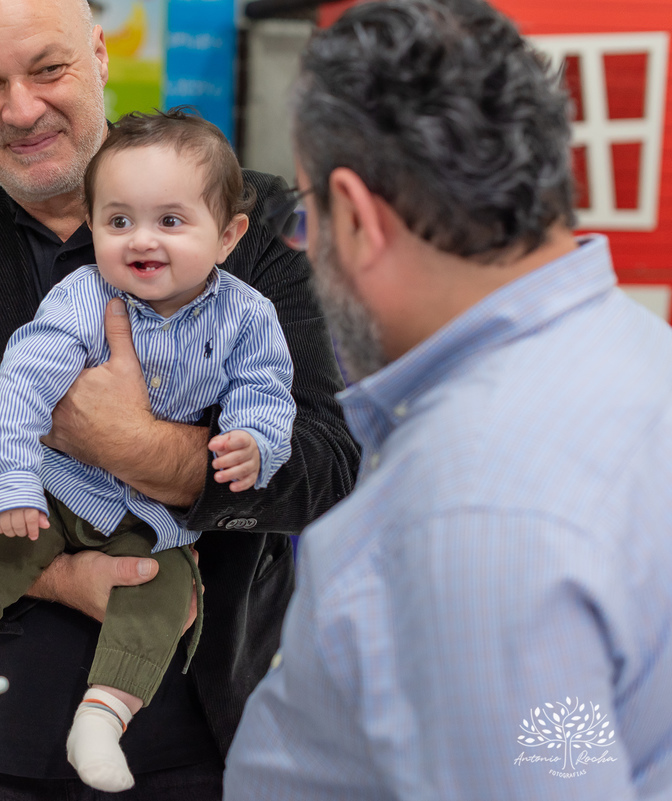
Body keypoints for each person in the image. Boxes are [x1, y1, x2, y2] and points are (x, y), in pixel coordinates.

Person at [0, 0, 361, 796]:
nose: (22, 108)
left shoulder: (247, 214)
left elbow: (325, 464)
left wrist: (135, 444)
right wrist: (55, 572)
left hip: (202, 736)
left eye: (47, 68)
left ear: (99, 53)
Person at [224, 2, 672, 799]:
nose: (307, 246)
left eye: (307, 216)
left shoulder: (471, 517)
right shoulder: (639, 356)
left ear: (357, 218)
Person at [0, 110, 297, 792]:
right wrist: (13, 480)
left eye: (170, 221)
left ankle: (104, 713)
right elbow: (21, 384)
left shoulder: (249, 316)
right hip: (59, 487)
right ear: (94, 225)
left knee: (165, 594)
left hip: (150, 516)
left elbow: (265, 390)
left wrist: (256, 442)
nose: (142, 241)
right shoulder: (83, 297)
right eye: (119, 221)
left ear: (228, 236)